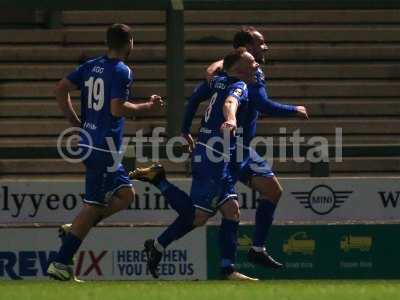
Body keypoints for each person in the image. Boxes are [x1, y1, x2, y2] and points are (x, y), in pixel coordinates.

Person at [182, 26, 309, 269]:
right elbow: (261, 102)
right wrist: (294, 109)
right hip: (232, 148)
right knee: (206, 213)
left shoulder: (246, 71)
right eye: (260, 43)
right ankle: (163, 243)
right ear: (247, 49)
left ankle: (255, 250)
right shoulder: (240, 75)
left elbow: (211, 76)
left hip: (240, 147)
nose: (265, 47)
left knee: (270, 192)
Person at [47, 23, 163, 281]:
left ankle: (74, 228)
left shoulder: (90, 65)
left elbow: (59, 89)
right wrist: (149, 107)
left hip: (92, 142)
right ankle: (61, 262)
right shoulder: (122, 70)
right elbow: (117, 109)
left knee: (125, 195)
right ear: (130, 42)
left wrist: (76, 123)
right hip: (103, 147)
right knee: (92, 206)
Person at [131, 48, 259, 280]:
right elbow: (230, 103)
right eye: (251, 63)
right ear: (238, 68)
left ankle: (227, 269)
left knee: (231, 210)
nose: (256, 66)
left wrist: (184, 129)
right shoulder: (238, 85)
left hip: (213, 154)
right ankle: (160, 181)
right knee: (197, 216)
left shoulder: (217, 81)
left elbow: (193, 101)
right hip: (213, 158)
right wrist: (231, 118)